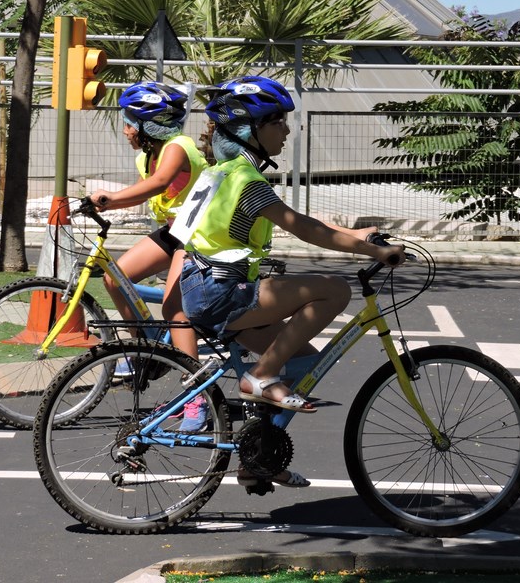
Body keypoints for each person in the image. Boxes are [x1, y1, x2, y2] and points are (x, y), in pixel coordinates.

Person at [175, 76, 405, 487]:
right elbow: (303, 228)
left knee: (302, 362)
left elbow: (298, 220)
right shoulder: (247, 181)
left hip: (205, 288)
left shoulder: (222, 173)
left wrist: (359, 234)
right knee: (334, 290)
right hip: (222, 292)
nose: (286, 129)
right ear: (251, 130)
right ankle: (260, 376)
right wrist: (371, 252)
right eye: (277, 121)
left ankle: (257, 459)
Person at [88, 81, 209, 431]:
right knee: (115, 278)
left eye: (129, 123)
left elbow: (160, 183)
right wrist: (106, 204)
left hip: (198, 235)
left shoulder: (178, 146)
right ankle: (144, 349)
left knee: (175, 309)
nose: (126, 130)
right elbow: (146, 192)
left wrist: (111, 197)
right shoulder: (147, 155)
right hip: (175, 232)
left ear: (147, 127)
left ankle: (197, 399)